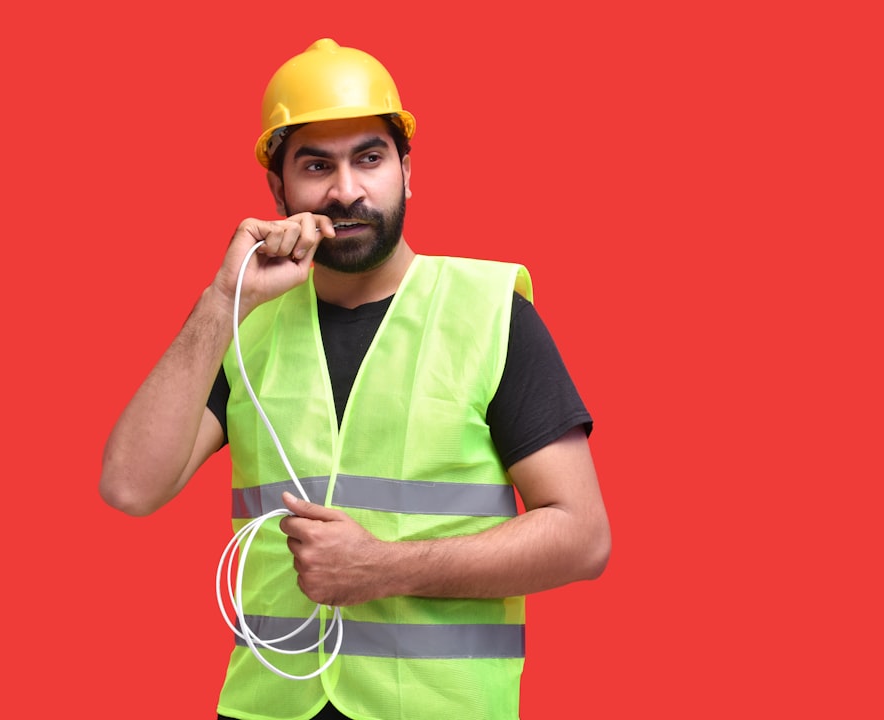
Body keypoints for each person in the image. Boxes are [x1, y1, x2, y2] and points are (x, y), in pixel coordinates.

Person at [100, 38, 611, 720]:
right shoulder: (246, 327)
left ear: (406, 168)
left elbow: (582, 537)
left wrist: (382, 568)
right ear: (279, 189)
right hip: (267, 708)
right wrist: (223, 300)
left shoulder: (490, 312)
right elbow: (130, 486)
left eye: (369, 158)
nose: (346, 189)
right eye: (317, 165)